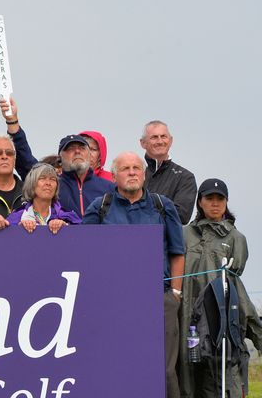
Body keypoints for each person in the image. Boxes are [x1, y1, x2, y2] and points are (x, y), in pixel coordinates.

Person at [82, 151, 184, 398]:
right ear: (114, 176)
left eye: (136, 168)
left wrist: (176, 294)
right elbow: (85, 252)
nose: (132, 173)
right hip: (113, 302)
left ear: (144, 173)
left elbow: (177, 252)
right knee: (117, 364)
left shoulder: (162, 206)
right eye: (125, 169)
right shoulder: (101, 207)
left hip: (158, 298)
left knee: (164, 371)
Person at [177, 178, 262, 398]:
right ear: (200, 203)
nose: (215, 203)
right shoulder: (184, 234)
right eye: (209, 198)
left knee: (217, 374)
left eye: (220, 199)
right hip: (185, 314)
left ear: (226, 202)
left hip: (218, 315)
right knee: (185, 378)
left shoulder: (236, 238)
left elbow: (236, 286)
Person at [1, 97, 114, 217]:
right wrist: (12, 121)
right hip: (62, 236)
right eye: (70, 149)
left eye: (82, 148)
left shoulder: (109, 187)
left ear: (89, 154)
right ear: (60, 159)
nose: (77, 151)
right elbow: (25, 160)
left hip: (100, 236)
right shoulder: (52, 184)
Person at [140, 120, 197, 224]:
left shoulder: (185, 177)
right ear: (143, 143)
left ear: (171, 141)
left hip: (165, 239)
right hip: (131, 237)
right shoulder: (134, 174)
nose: (160, 141)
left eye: (163, 136)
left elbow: (181, 215)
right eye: (154, 137)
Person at [7, 163, 80, 234]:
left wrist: (66, 228)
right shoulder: (17, 217)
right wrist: (18, 230)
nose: (48, 183)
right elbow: (4, 240)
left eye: (52, 179)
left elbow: (82, 236)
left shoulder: (67, 216)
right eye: (42, 178)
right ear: (31, 184)